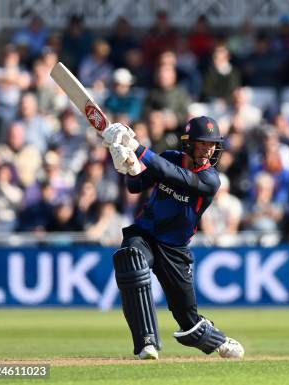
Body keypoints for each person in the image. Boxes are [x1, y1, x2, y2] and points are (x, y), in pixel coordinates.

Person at [101, 116, 244, 360]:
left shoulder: (211, 180)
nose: (208, 150)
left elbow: (174, 175)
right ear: (188, 143)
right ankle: (147, 343)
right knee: (131, 260)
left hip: (174, 249)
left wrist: (137, 147)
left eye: (212, 145)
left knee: (190, 326)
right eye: (202, 144)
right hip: (145, 234)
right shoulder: (168, 157)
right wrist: (127, 164)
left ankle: (217, 339)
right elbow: (135, 186)